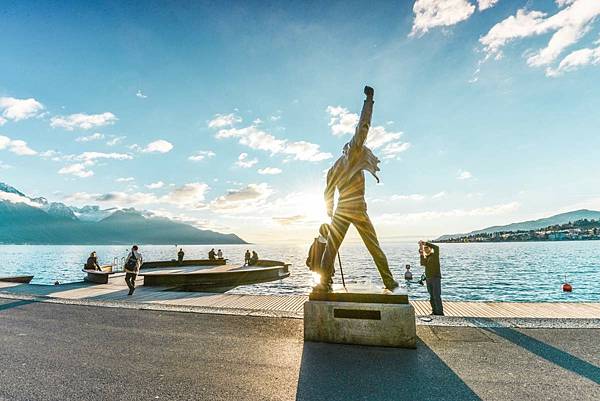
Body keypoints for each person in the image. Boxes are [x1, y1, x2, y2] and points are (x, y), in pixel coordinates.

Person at [319, 86, 399, 292]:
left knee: (331, 248)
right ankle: (389, 281)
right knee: (373, 246)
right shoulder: (354, 152)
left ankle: (323, 281)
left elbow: (327, 192)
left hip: (341, 210)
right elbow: (363, 126)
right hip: (357, 208)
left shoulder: (333, 167)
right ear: (350, 148)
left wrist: (329, 208)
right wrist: (369, 100)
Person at [419, 241, 443, 316]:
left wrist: (425, 243)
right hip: (428, 279)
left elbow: (437, 247)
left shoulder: (435, 255)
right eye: (425, 248)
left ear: (430, 248)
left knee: (436, 296)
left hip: (435, 278)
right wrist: (421, 251)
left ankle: (440, 313)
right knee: (431, 296)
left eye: (427, 248)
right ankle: (434, 311)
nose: (426, 249)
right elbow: (422, 263)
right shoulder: (427, 258)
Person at [306, 224, 332, 289]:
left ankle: (325, 283)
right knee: (323, 272)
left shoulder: (318, 241)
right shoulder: (326, 241)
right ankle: (325, 282)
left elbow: (311, 250)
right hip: (320, 262)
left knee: (324, 272)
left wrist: (309, 259)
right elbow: (312, 250)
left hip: (321, 262)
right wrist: (309, 259)